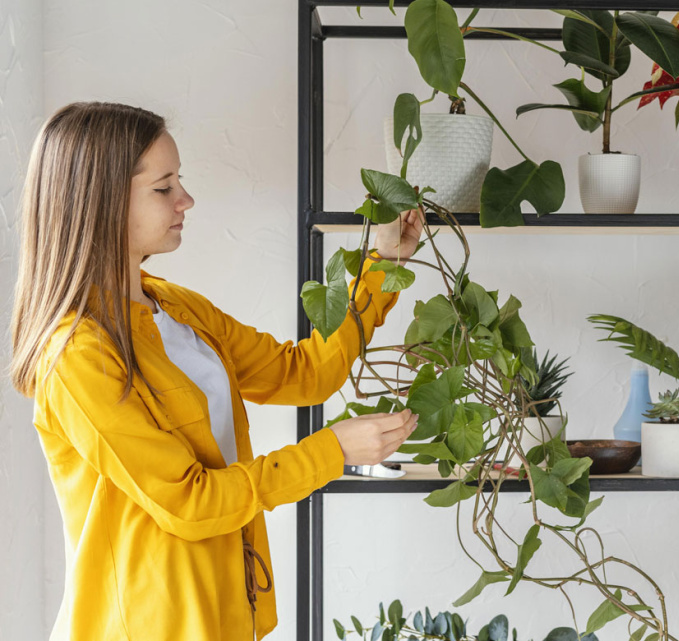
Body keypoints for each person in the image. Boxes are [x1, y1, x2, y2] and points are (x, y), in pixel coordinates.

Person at [8, 102, 423, 641]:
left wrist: (382, 267)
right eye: (164, 188)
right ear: (101, 202)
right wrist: (332, 452)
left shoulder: (178, 309)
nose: (186, 200)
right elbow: (189, 499)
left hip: (228, 613)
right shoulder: (76, 355)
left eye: (179, 181)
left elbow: (303, 374)